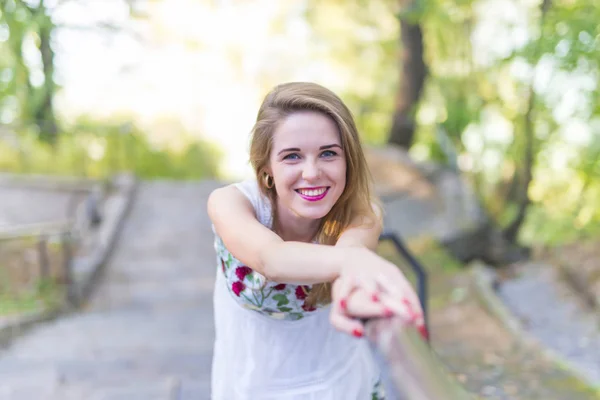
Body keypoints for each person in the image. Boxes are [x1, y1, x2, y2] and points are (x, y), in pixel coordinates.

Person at [208, 82, 426, 399]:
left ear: (348, 159)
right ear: (266, 166)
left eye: (327, 154)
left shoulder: (363, 213)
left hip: (342, 387)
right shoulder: (231, 203)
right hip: (251, 389)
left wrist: (360, 284)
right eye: (292, 156)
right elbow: (272, 259)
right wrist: (356, 262)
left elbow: (349, 256)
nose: (311, 173)